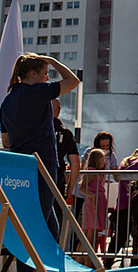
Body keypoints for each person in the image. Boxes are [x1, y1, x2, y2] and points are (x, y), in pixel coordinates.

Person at [0, 53, 80, 247]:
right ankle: (30, 266)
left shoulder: (7, 103)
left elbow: (6, 142)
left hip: (19, 166)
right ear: (33, 74)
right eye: (45, 73)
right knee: (36, 224)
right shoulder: (36, 92)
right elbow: (73, 81)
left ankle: (50, 263)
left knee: (45, 221)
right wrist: (52, 61)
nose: (47, 78)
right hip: (42, 161)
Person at [52, 98, 80, 229]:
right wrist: (69, 189)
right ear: (59, 111)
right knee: (56, 220)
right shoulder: (66, 133)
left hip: (36, 178)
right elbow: (75, 164)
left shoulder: (36, 130)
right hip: (57, 179)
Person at [81, 148, 109, 254]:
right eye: (102, 159)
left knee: (95, 233)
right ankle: (86, 258)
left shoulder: (99, 172)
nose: (104, 162)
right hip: (92, 203)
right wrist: (92, 196)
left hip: (99, 203)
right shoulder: (91, 171)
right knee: (90, 233)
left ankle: (92, 257)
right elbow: (82, 188)